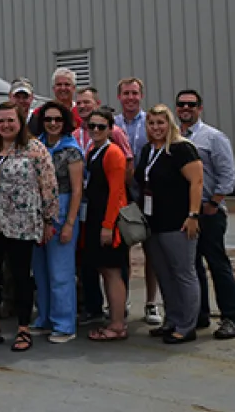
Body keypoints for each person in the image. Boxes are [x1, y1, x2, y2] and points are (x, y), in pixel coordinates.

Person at [0, 101, 58, 352]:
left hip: (21, 223)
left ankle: (23, 329)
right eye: (1, 121)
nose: (6, 125)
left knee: (20, 277)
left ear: (20, 123)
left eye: (11, 121)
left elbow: (48, 187)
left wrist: (49, 219)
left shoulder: (35, 149)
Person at [134, 104, 204, 344]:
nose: (156, 128)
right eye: (151, 123)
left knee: (183, 273)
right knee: (164, 273)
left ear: (170, 124)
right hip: (154, 223)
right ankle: (172, 320)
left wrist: (193, 215)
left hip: (178, 223)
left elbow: (197, 182)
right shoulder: (147, 150)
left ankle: (187, 325)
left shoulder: (181, 149)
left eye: (161, 123)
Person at [175, 90, 235, 339]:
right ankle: (199, 313)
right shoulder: (176, 137)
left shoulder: (213, 137)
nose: (185, 108)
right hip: (185, 213)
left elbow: (228, 174)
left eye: (191, 104)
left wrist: (214, 202)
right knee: (192, 267)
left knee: (217, 263)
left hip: (209, 212)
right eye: (181, 104)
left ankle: (230, 318)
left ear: (199, 108)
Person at [31, 101, 83, 343]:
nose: (53, 124)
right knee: (40, 271)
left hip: (62, 211)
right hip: (37, 213)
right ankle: (45, 319)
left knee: (60, 272)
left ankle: (64, 324)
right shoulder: (34, 145)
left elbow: (76, 190)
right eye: (48, 119)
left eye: (57, 120)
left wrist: (70, 223)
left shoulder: (72, 150)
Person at [115, 77, 162, 326]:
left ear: (141, 95)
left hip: (148, 195)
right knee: (121, 252)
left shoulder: (152, 122)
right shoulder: (112, 124)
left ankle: (152, 302)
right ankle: (121, 302)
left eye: (134, 93)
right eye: (126, 93)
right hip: (122, 196)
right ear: (119, 97)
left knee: (151, 252)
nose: (130, 97)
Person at [81, 110, 130, 341]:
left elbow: (117, 193)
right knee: (104, 269)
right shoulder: (93, 151)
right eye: (92, 126)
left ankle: (118, 324)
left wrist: (108, 226)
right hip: (94, 218)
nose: (96, 130)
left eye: (101, 126)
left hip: (107, 220)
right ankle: (114, 320)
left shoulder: (113, 153)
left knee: (112, 272)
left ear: (111, 129)